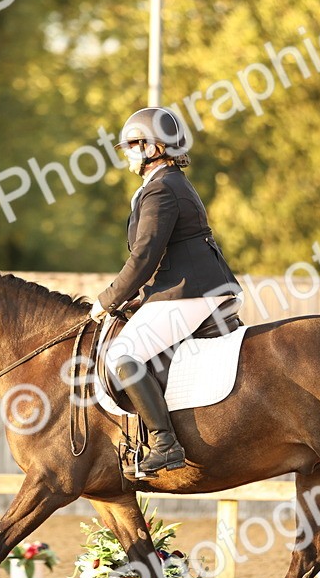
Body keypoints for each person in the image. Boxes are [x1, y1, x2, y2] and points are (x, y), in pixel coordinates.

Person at [89, 107, 242, 476]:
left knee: (123, 354)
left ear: (152, 147)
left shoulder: (162, 188)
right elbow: (165, 256)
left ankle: (165, 442)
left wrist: (107, 299)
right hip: (192, 286)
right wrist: (141, 297)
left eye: (132, 145)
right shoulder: (168, 183)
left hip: (193, 291)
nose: (127, 153)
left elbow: (144, 256)